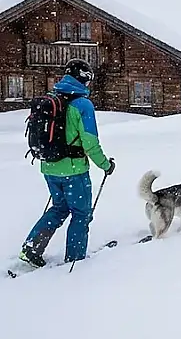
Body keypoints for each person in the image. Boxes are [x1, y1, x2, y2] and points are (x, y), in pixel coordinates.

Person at [20, 58, 115, 267]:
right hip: (74, 170)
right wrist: (106, 165)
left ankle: (32, 247)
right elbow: (90, 143)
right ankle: (75, 259)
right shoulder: (82, 105)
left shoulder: (52, 98)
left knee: (59, 208)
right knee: (81, 214)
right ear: (84, 79)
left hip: (49, 166)